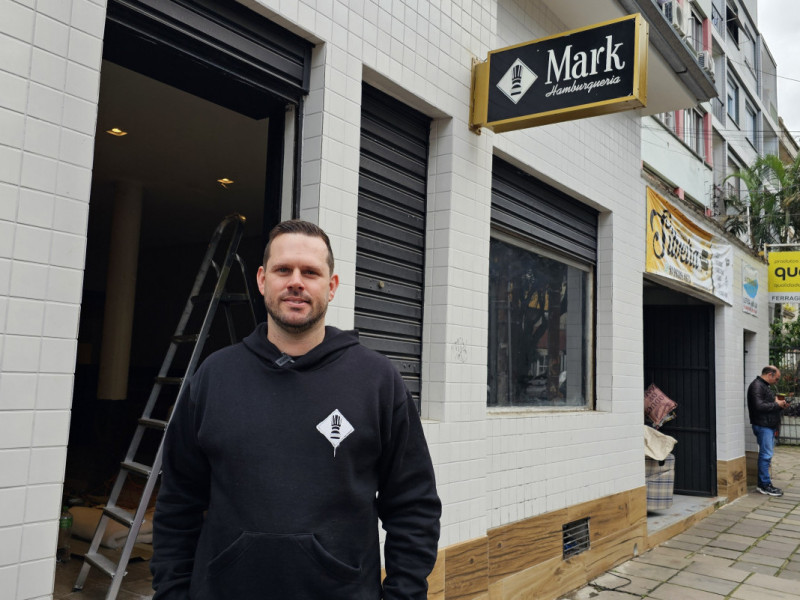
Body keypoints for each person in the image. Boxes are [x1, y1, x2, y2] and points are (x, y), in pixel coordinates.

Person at [150, 220, 441, 599]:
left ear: (331, 286)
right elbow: (178, 502)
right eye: (283, 270)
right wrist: (172, 592)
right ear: (261, 279)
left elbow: (413, 506)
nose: (296, 282)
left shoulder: (377, 381)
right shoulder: (213, 378)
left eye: (311, 272)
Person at [747, 365, 788, 497]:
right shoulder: (757, 386)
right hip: (763, 426)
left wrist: (780, 405)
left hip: (768, 425)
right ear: (770, 374)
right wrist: (777, 404)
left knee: (767, 455)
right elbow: (758, 406)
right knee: (765, 455)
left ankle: (764, 483)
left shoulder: (764, 386)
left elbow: (766, 405)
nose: (777, 381)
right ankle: (764, 485)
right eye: (776, 379)